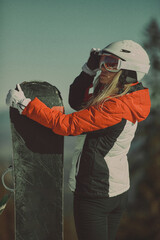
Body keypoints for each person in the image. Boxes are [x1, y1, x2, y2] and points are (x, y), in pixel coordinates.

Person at [6, 40, 151, 240]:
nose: (103, 68)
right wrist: (88, 69)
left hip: (95, 193)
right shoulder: (127, 98)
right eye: (102, 60)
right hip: (117, 190)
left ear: (128, 71)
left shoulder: (114, 107)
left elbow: (67, 125)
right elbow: (77, 101)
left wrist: (24, 105)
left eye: (111, 63)